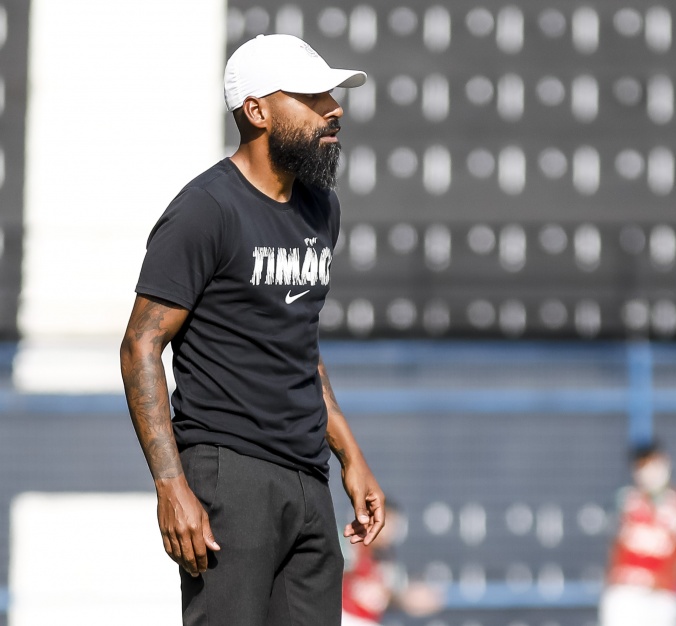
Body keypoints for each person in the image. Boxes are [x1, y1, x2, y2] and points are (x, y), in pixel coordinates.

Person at [119, 34, 384, 626]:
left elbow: (298, 341)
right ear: (257, 111)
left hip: (308, 478)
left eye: (332, 95)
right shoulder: (205, 210)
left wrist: (350, 455)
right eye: (313, 96)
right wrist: (171, 485)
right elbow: (140, 343)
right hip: (229, 474)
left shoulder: (322, 207)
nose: (333, 107)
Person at [600, 440, 676, 626]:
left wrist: (667, 580)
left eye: (653, 463)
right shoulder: (625, 501)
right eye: (642, 466)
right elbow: (614, 544)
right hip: (626, 592)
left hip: (662, 594)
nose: (649, 471)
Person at [341, 501, 443, 626]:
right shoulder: (349, 547)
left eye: (395, 525)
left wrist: (407, 598)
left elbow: (391, 595)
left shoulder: (385, 563)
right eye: (387, 522)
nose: (391, 531)